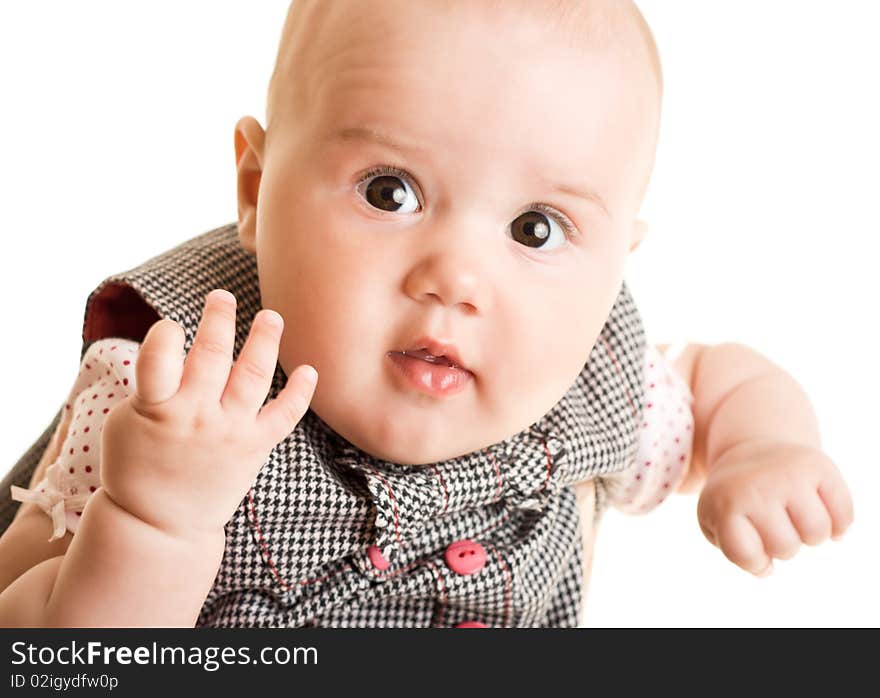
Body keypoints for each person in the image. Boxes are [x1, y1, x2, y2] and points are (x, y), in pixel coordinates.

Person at [0, 0, 853, 627]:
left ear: (613, 264)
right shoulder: (168, 395)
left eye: (536, 228)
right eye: (389, 192)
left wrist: (761, 447)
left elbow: (712, 385)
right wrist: (156, 519)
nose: (456, 279)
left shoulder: (587, 377)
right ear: (257, 192)